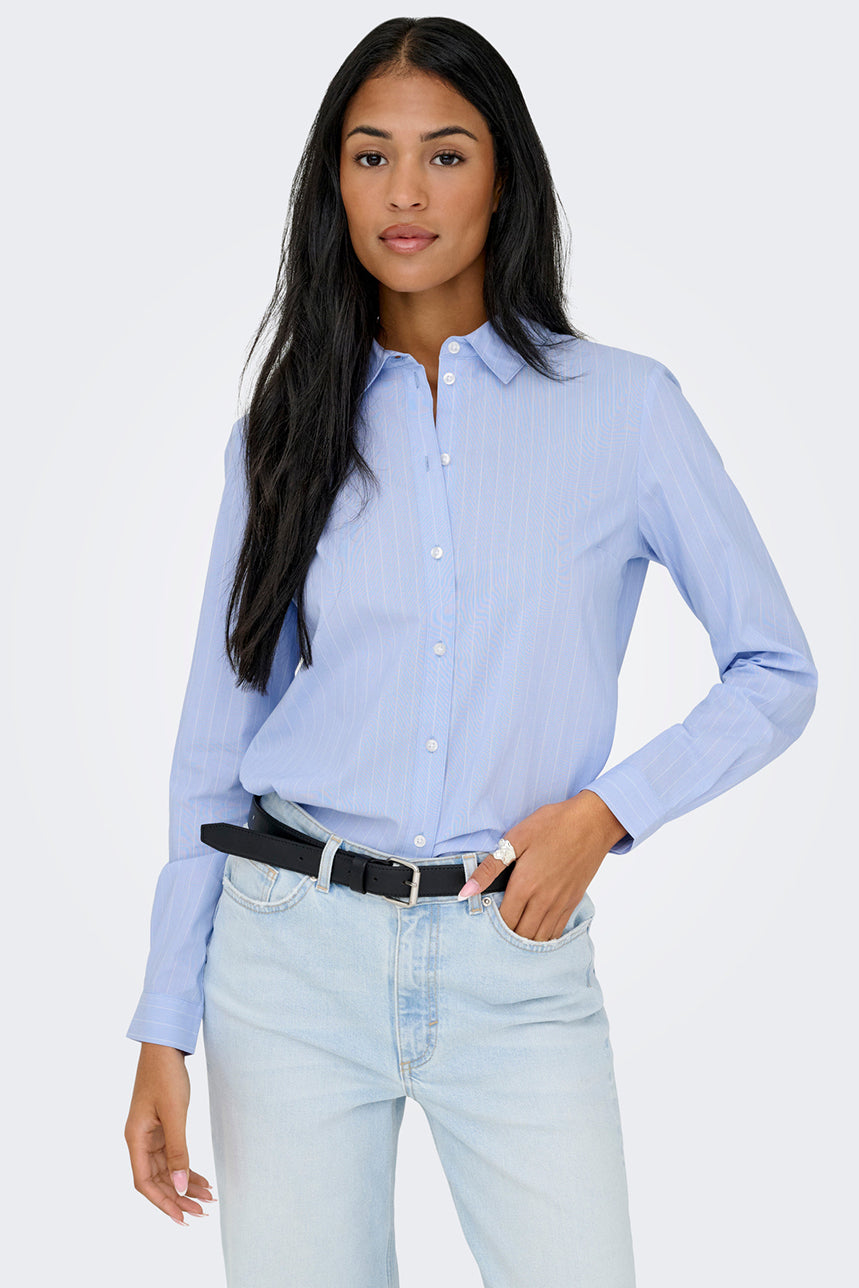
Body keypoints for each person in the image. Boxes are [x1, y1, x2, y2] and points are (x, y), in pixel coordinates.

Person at [123, 16, 818, 1287]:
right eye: (369, 156)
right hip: (286, 955)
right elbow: (215, 748)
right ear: (332, 185)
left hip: (513, 950)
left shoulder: (625, 410)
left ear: (504, 178)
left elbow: (775, 669)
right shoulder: (282, 430)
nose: (405, 192)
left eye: (445, 155)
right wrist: (164, 1022)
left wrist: (605, 813)